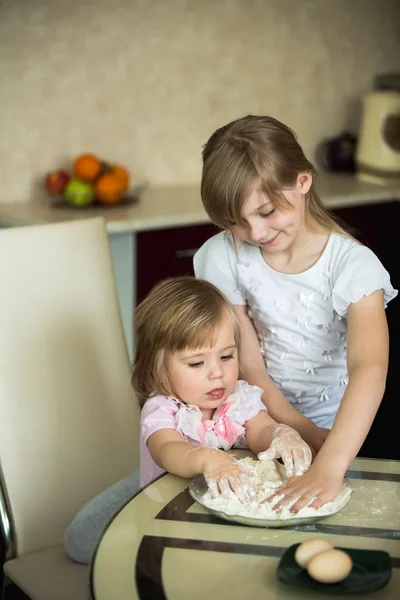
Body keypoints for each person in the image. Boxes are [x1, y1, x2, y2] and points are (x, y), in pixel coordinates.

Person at [193, 114, 397, 513]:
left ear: (303, 182)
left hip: (335, 437)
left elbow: (370, 368)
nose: (255, 233)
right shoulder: (223, 256)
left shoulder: (352, 266)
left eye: (267, 211)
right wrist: (290, 429)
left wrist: (330, 462)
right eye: (237, 222)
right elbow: (248, 364)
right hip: (250, 424)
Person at [65, 276, 311, 564]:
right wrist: (207, 459)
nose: (216, 373)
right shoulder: (163, 409)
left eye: (227, 356)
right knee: (79, 541)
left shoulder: (238, 399)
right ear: (159, 367)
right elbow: (167, 450)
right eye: (197, 363)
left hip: (207, 507)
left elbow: (262, 429)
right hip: (157, 492)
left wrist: (281, 435)